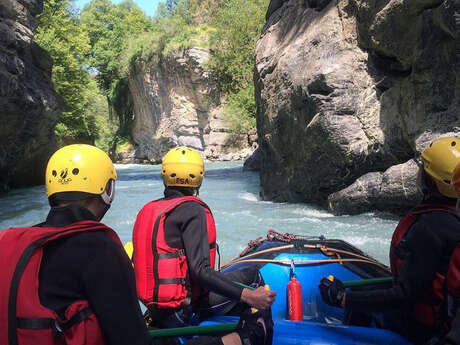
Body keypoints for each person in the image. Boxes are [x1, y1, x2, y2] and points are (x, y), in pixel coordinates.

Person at [0, 144, 271, 345]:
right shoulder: (99, 247)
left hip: (153, 310)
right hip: (181, 312)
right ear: (107, 190)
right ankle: (244, 338)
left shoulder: (14, 241)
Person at [319, 137, 460, 345]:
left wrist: (342, 298)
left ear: (430, 181)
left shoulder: (430, 228)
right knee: (363, 292)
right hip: (444, 319)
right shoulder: (451, 220)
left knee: (358, 298)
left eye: (423, 170)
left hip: (425, 330)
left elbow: (404, 295)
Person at [132, 146, 276, 329]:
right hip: (182, 313)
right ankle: (260, 332)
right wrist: (249, 296)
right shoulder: (192, 210)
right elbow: (201, 271)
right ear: (199, 177)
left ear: (165, 175)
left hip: (155, 311)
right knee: (251, 275)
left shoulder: (150, 210)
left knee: (229, 284)